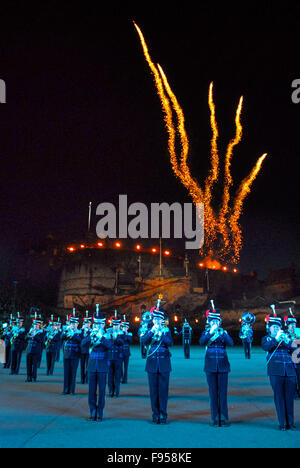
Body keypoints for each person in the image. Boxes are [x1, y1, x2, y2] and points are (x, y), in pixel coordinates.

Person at [261, 305, 297, 431]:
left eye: (278, 327)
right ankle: (282, 423)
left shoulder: (286, 338)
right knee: (279, 398)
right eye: (274, 327)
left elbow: (295, 349)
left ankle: (290, 423)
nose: (276, 328)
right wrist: (276, 339)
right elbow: (266, 347)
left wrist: (287, 339)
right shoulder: (267, 338)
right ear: (269, 328)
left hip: (290, 372)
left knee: (289, 398)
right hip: (276, 371)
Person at [199, 300, 234, 427]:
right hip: (210, 366)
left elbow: (231, 343)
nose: (214, 323)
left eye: (216, 321)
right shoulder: (206, 333)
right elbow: (202, 342)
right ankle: (214, 417)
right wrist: (210, 333)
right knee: (213, 393)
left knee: (223, 393)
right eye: (212, 321)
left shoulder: (224, 333)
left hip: (223, 366)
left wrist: (221, 333)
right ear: (209, 322)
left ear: (220, 322)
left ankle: (223, 417)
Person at [141, 301, 173, 424]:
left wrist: (162, 334)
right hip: (152, 364)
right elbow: (144, 341)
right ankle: (155, 414)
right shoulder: (149, 330)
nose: (157, 321)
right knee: (153, 391)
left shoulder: (166, 331)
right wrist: (152, 331)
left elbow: (170, 343)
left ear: (162, 320)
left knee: (163, 391)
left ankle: (163, 415)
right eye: (155, 319)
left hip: (164, 364)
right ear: (153, 320)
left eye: (159, 319)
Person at [85, 310, 113, 421]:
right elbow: (83, 344)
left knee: (101, 391)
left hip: (102, 366)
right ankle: (92, 411)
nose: (98, 325)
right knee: (91, 391)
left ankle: (100, 412)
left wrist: (101, 337)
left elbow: (110, 345)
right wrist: (90, 336)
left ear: (104, 323)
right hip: (92, 366)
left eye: (100, 323)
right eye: (96, 323)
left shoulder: (107, 334)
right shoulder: (90, 332)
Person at [61, 312, 82, 395]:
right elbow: (61, 337)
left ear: (77, 324)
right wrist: (66, 332)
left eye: (74, 323)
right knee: (66, 372)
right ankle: (66, 389)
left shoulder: (79, 332)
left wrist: (73, 335)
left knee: (73, 373)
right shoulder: (66, 330)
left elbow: (81, 341)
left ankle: (72, 389)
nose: (73, 325)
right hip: (66, 353)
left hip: (75, 354)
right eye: (71, 323)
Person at [107, 312, 125, 398]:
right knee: (110, 375)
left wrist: (115, 338)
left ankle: (117, 391)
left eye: (117, 325)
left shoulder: (121, 333)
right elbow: (107, 343)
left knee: (117, 375)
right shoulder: (108, 332)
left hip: (118, 357)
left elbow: (121, 342)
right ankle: (111, 391)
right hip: (110, 356)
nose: (116, 327)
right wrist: (112, 338)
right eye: (114, 325)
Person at [284, 308, 300, 399]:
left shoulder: (298, 332)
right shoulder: (285, 333)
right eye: (291, 325)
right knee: (291, 378)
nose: (293, 326)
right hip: (289, 359)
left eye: (294, 324)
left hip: (298, 358)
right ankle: (292, 392)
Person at [25, 316, 44, 382]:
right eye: (34, 325)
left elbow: (40, 340)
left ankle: (34, 377)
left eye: (37, 325)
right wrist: (29, 335)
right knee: (28, 364)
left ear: (39, 325)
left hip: (36, 350)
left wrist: (34, 336)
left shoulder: (41, 332)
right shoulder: (31, 330)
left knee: (34, 365)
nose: (35, 326)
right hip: (29, 349)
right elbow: (26, 338)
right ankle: (28, 377)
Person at [80, 312, 92, 384]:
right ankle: (82, 378)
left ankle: (87, 378)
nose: (86, 324)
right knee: (82, 366)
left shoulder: (91, 331)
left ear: (90, 324)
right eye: (85, 323)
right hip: (82, 351)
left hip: (88, 350)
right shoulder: (81, 331)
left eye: (88, 323)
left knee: (88, 365)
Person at [121, 317, 133, 384]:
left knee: (126, 367)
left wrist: (125, 335)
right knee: (120, 366)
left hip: (126, 352)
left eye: (126, 327)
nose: (124, 328)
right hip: (121, 352)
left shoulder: (129, 334)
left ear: (127, 328)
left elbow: (130, 340)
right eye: (123, 327)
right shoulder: (120, 334)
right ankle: (121, 377)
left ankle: (125, 379)